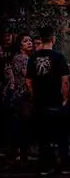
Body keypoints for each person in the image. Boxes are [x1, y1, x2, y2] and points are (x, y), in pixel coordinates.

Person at [25, 26, 70, 175]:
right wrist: (65, 98)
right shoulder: (59, 58)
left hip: (39, 102)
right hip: (55, 102)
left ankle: (45, 166)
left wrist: (34, 94)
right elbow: (65, 81)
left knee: (43, 136)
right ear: (53, 39)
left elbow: (28, 81)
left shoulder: (33, 58)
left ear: (41, 39)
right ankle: (64, 164)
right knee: (61, 134)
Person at [3, 33, 33, 163]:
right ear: (20, 45)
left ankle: (20, 153)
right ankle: (20, 154)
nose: (29, 43)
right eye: (26, 41)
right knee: (23, 125)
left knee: (23, 125)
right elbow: (27, 75)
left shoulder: (28, 57)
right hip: (22, 96)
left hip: (23, 95)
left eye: (30, 40)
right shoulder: (20, 58)